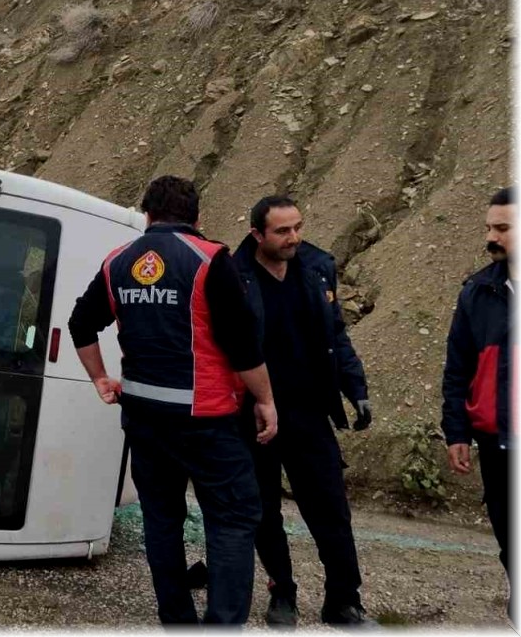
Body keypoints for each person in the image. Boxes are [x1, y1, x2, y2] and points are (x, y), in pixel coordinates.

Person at [68, 175, 277, 625]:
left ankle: (177, 622)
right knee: (233, 519)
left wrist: (102, 379)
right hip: (206, 421)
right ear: (196, 217)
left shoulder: (117, 262)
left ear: (147, 214)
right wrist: (265, 400)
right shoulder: (209, 259)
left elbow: (80, 325)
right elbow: (243, 346)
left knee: (161, 521)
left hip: (144, 420)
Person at [232, 195, 373, 626]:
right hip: (255, 415)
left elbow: (335, 333)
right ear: (258, 234)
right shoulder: (236, 276)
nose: (293, 237)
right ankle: (283, 594)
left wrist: (356, 386)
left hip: (309, 411)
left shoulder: (316, 268)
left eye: (297, 227)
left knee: (330, 507)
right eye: (282, 231)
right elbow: (229, 346)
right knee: (263, 510)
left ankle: (344, 601)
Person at [442, 186, 513, 616]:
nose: (492, 236)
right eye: (489, 227)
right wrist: (457, 431)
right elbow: (457, 369)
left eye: (503, 228)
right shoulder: (477, 292)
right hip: (499, 441)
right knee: (509, 534)